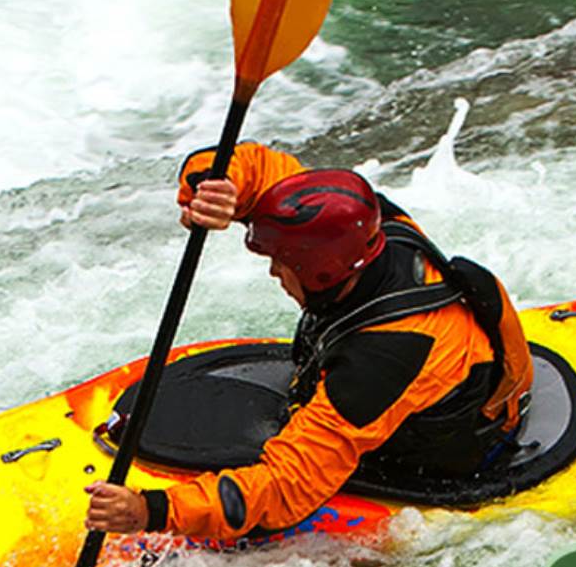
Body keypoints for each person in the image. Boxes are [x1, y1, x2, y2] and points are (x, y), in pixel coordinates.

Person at [84, 142, 532, 541]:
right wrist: (216, 187)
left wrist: (152, 510)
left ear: (321, 269)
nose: (273, 272)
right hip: (435, 378)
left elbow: (287, 488)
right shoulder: (363, 221)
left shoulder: (384, 360)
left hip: (434, 453)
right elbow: (264, 172)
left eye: (281, 261)